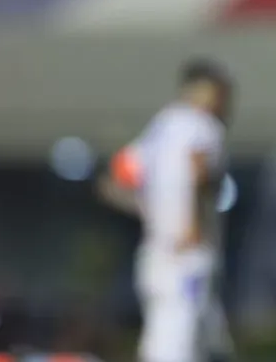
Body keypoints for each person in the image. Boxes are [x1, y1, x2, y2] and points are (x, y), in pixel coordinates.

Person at [98, 59, 235, 362]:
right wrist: (191, 224)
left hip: (155, 249)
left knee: (164, 337)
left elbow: (115, 179)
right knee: (179, 341)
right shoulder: (203, 125)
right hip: (187, 252)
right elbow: (197, 170)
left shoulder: (162, 125)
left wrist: (151, 211)